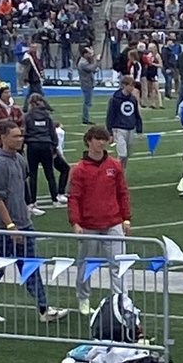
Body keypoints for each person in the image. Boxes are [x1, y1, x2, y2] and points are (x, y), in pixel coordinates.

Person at [0, 120, 67, 324]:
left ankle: (43, 308)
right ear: (3, 138)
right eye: (16, 136)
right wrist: (10, 226)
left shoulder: (19, 159)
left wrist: (25, 212)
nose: (20, 139)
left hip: (23, 223)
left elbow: (22, 187)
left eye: (21, 135)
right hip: (5, 228)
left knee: (30, 266)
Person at [68, 125, 132, 315]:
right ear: (89, 141)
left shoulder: (114, 165)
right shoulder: (79, 169)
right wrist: (75, 222)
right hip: (89, 224)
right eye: (98, 139)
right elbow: (74, 197)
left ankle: (120, 300)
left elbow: (122, 192)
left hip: (113, 222)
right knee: (86, 265)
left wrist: (126, 218)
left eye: (104, 139)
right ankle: (83, 298)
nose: (101, 143)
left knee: (118, 264)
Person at [24, 93, 62, 211]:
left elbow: (24, 131)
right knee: (49, 173)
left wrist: (26, 142)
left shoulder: (28, 116)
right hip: (46, 145)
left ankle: (33, 201)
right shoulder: (47, 116)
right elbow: (52, 132)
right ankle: (55, 199)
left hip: (33, 146)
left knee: (33, 174)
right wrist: (54, 146)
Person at [106, 75, 143, 171]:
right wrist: (110, 132)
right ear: (124, 85)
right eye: (130, 85)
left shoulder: (133, 99)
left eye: (133, 86)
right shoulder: (115, 99)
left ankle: (122, 172)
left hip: (131, 128)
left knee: (127, 155)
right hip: (119, 129)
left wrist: (139, 129)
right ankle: (117, 170)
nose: (132, 88)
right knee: (122, 153)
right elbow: (110, 116)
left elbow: (136, 114)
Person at [77, 47, 98, 125]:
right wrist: (95, 60)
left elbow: (94, 69)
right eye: (88, 53)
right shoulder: (83, 63)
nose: (90, 55)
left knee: (88, 102)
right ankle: (85, 119)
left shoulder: (85, 61)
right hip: (86, 84)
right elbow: (91, 68)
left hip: (88, 83)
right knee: (87, 102)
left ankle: (86, 118)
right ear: (85, 54)